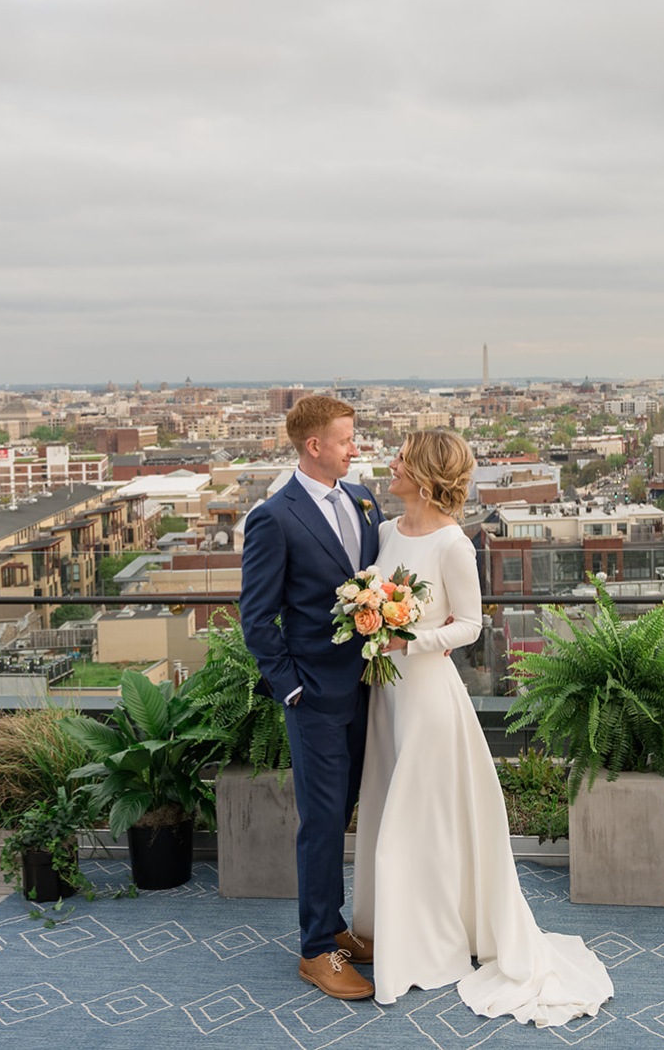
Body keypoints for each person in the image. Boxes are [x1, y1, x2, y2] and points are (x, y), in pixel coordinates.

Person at [352, 428, 614, 1026]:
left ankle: (426, 945)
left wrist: (408, 639)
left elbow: (469, 625)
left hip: (428, 702)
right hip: (386, 700)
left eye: (399, 458)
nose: (389, 466)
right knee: (393, 808)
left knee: (415, 823)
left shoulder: (453, 545)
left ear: (421, 476)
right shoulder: (388, 533)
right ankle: (395, 928)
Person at [239, 395, 381, 1000]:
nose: (356, 448)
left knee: (346, 808)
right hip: (314, 695)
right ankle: (316, 949)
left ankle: (337, 925)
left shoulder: (362, 501)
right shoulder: (275, 516)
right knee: (321, 821)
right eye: (347, 439)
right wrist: (290, 685)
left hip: (369, 687)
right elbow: (256, 616)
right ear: (313, 446)